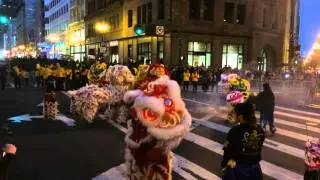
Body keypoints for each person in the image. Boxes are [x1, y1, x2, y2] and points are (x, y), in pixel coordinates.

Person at [222, 101, 265, 180]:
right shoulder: (260, 130)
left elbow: (227, 150)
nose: (234, 116)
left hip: (238, 169)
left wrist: (224, 165)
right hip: (255, 169)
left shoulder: (235, 131)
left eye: (236, 113)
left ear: (241, 116)